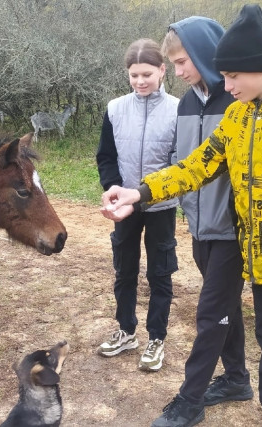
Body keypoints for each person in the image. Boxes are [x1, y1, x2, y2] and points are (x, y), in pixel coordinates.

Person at [100, 5, 262, 427]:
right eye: (222, 77)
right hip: (259, 266)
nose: (225, 85)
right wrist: (141, 192)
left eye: (232, 77)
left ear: (261, 68)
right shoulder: (241, 116)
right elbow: (196, 166)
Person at [150, 17, 252, 427]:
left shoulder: (239, 100)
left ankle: (190, 400)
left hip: (231, 230)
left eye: (181, 62)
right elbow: (186, 165)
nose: (177, 72)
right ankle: (238, 379)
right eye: (172, 64)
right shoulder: (189, 103)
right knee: (225, 308)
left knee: (211, 314)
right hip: (198, 226)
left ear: (207, 53)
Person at [95, 38, 180, 372]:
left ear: (162, 71)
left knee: (160, 273)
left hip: (162, 206)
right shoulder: (115, 108)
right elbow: (106, 155)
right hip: (124, 207)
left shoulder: (179, 109)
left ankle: (156, 337)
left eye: (147, 74)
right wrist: (112, 188)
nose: (140, 81)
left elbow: (180, 161)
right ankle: (126, 330)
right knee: (124, 269)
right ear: (127, 74)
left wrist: (150, 193)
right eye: (134, 75)